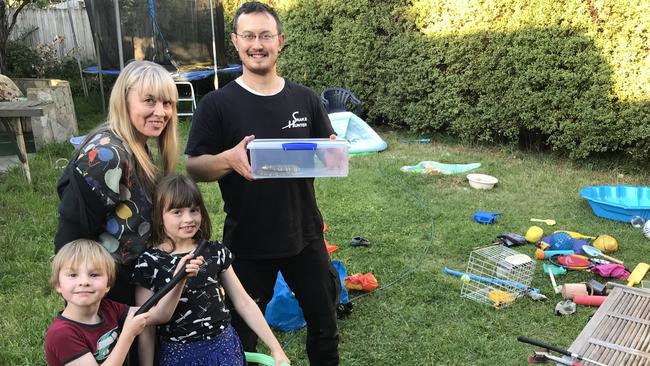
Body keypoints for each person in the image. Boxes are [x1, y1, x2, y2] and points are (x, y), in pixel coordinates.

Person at [184, 2, 340, 365]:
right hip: (248, 240)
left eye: (265, 36)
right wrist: (228, 160)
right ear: (236, 42)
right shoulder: (217, 104)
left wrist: (333, 152)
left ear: (280, 41)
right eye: (249, 36)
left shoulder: (305, 99)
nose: (258, 44)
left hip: (305, 234)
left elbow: (327, 152)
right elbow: (194, 166)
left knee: (324, 319)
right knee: (241, 330)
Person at [54, 60, 179, 305]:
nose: (161, 112)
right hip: (107, 288)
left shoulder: (135, 144)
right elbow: (72, 237)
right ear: (124, 101)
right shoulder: (106, 156)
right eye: (149, 101)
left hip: (131, 278)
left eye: (167, 103)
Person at [132, 175, 290, 366]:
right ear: (159, 216)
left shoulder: (214, 251)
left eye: (194, 210)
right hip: (179, 356)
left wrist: (275, 348)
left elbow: (244, 302)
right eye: (177, 212)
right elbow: (145, 326)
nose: (188, 219)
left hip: (223, 349)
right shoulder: (149, 263)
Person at [45, 239, 199, 366]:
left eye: (94, 274)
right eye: (73, 275)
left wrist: (179, 279)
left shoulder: (109, 309)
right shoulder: (62, 334)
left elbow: (160, 315)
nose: (84, 282)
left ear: (108, 285)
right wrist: (128, 334)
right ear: (58, 285)